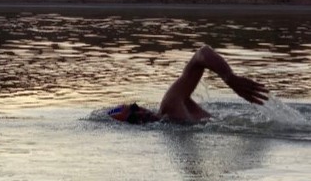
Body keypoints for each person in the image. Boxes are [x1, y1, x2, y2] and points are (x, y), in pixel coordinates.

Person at [108, 45, 268, 124]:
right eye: (134, 119)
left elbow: (203, 53)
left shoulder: (171, 104)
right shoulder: (171, 114)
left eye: (135, 108)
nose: (141, 113)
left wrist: (230, 78)